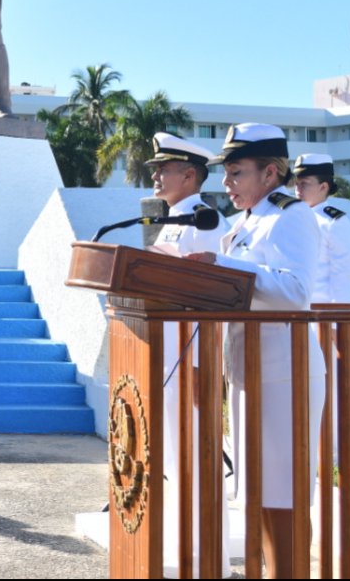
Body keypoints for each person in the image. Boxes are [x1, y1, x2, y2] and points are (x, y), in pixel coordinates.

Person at [183, 123, 326, 580]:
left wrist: (220, 266)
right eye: (225, 173)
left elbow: (295, 292)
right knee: (258, 492)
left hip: (286, 374)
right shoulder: (248, 222)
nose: (226, 183)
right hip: (249, 372)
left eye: (236, 172)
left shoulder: (291, 215)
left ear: (270, 172)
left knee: (282, 494)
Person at [143, 132, 230, 577]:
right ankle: (187, 551)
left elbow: (208, 295)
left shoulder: (205, 220)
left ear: (190, 174)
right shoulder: (172, 218)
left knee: (195, 457)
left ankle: (206, 558)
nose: (155, 174)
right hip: (165, 351)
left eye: (164, 168)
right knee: (176, 458)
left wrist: (200, 365)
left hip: (190, 355)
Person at [292, 153, 350, 304]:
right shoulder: (290, 218)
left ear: (323, 187)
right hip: (291, 314)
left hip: (321, 318)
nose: (298, 189)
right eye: (296, 183)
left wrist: (338, 324)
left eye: (304, 183)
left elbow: (341, 279)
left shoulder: (334, 223)